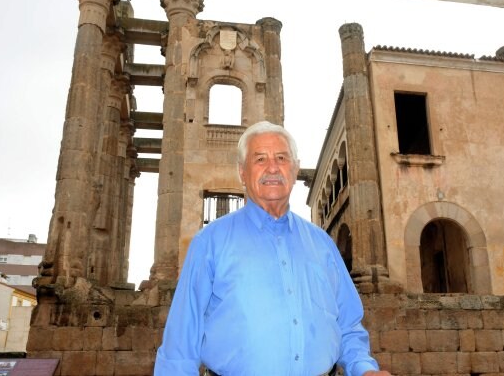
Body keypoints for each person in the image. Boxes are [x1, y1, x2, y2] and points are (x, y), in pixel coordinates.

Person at [154, 121, 390, 376]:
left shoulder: (322, 244)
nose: (273, 168)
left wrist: (364, 369)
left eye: (281, 158)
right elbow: (179, 347)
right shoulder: (209, 243)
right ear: (242, 172)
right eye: (260, 159)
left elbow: (348, 327)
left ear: (295, 168)